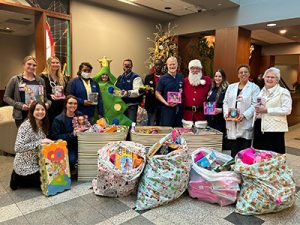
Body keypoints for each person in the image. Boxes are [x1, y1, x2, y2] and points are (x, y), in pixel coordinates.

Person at [10, 101, 52, 190]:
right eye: (37, 109)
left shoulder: (43, 123)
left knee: (53, 175)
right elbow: (18, 147)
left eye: (42, 109)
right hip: (25, 165)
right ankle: (17, 178)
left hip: (37, 161)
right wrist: (40, 141)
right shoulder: (26, 126)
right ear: (32, 111)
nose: (40, 112)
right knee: (47, 181)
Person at [4, 56, 51, 127]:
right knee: (24, 137)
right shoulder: (15, 80)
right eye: (29, 64)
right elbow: (6, 97)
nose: (31, 66)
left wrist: (47, 104)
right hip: (21, 115)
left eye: (34, 65)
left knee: (38, 136)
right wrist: (20, 106)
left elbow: (45, 99)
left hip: (38, 115)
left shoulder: (40, 81)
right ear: (23, 65)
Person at [223, 64, 260, 157]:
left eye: (245, 72)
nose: (243, 74)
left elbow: (255, 104)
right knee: (234, 151)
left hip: (245, 122)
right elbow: (225, 102)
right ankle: (233, 169)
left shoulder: (254, 88)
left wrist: (244, 115)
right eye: (241, 72)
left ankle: (243, 169)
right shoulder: (231, 87)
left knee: (244, 152)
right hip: (232, 122)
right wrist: (226, 113)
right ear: (238, 75)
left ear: (249, 74)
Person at [253, 67, 292, 154]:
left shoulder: (283, 92)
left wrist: (267, 110)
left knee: (274, 156)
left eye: (272, 77)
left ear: (277, 80)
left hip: (274, 129)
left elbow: (287, 110)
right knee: (260, 155)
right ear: (264, 78)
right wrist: (257, 111)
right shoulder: (262, 91)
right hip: (260, 126)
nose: (269, 79)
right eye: (267, 77)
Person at [93, 57, 132, 126]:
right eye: (103, 74)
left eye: (106, 75)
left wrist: (123, 93)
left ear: (108, 76)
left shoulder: (111, 86)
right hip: (99, 108)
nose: (104, 76)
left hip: (111, 110)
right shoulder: (96, 85)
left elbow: (118, 94)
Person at [51, 95, 82, 176]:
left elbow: (85, 127)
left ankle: (75, 169)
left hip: (79, 144)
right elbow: (55, 137)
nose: (73, 105)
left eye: (75, 103)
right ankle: (70, 170)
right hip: (66, 146)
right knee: (71, 160)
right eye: (70, 103)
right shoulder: (58, 119)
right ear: (66, 104)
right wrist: (72, 134)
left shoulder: (79, 115)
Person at [156, 56, 183, 127]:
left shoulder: (181, 77)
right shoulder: (162, 78)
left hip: (179, 109)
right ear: (167, 66)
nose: (172, 66)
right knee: (167, 130)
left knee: (178, 131)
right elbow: (157, 93)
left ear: (177, 65)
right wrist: (166, 103)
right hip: (167, 109)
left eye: (174, 64)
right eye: (170, 64)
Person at [182, 59, 211, 124]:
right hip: (187, 116)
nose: (195, 70)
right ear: (189, 70)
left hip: (202, 116)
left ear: (200, 69)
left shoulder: (207, 80)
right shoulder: (185, 81)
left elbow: (212, 97)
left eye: (197, 68)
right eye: (192, 68)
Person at [40, 56, 67, 126]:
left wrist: (64, 96)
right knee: (49, 128)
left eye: (57, 63)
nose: (55, 64)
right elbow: (40, 93)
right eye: (53, 63)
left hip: (60, 107)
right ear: (48, 64)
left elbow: (66, 91)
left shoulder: (62, 77)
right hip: (49, 107)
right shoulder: (42, 77)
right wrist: (49, 95)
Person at [115, 59, 144, 123]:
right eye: (125, 65)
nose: (127, 66)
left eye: (128, 65)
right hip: (121, 106)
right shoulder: (120, 77)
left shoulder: (136, 77)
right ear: (123, 66)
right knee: (123, 124)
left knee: (131, 124)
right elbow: (116, 89)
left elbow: (138, 91)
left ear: (131, 66)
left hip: (132, 106)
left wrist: (128, 93)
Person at [207, 69, 229, 150]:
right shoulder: (211, 88)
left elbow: (229, 104)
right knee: (211, 140)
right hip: (211, 119)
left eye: (220, 76)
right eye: (216, 76)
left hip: (220, 119)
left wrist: (221, 110)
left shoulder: (227, 89)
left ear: (223, 77)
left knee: (218, 141)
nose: (217, 78)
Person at [144, 59, 164, 125]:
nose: (158, 66)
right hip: (151, 106)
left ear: (162, 66)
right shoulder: (148, 77)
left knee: (161, 126)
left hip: (162, 106)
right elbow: (145, 90)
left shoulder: (166, 77)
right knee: (150, 125)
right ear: (154, 66)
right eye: (156, 65)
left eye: (160, 65)